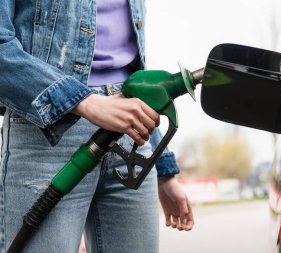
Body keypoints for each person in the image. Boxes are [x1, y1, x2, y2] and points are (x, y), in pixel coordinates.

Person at [0, 0, 194, 252]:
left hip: (131, 139)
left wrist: (163, 168)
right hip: (47, 134)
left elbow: (134, 67)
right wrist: (86, 101)